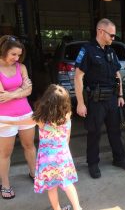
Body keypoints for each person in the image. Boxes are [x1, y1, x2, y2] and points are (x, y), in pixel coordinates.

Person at [0, 84, 82, 210]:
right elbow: (67, 139)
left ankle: (57, 209)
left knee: (51, 187)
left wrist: (4, 121)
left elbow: (17, 122)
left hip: (47, 159)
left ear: (46, 100)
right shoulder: (67, 117)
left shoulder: (40, 119)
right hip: (63, 156)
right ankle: (77, 208)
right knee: (67, 184)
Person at [74, 18, 125, 179]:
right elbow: (78, 77)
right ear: (101, 31)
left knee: (115, 131)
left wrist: (120, 95)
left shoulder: (110, 51)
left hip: (112, 99)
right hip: (96, 100)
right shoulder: (87, 50)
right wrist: (80, 103)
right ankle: (93, 163)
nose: (113, 38)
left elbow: (117, 74)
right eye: (112, 35)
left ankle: (119, 158)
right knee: (94, 133)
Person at [0, 35, 36, 199]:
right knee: (5, 153)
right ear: (4, 51)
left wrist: (13, 94)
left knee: (29, 146)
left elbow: (29, 90)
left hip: (26, 114)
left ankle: (34, 173)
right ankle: (5, 184)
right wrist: (21, 91)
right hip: (4, 118)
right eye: (13, 54)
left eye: (19, 55)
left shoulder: (21, 67)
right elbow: (1, 95)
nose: (17, 58)